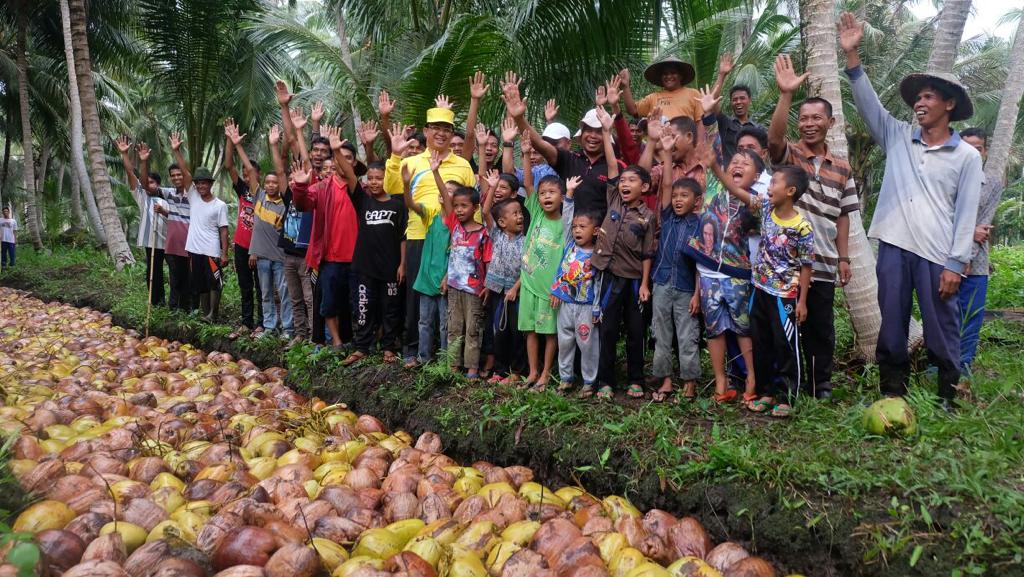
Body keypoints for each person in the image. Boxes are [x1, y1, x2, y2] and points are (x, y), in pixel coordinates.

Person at [840, 12, 982, 409]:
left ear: (949, 105)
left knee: (942, 328)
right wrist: (853, 59)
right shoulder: (899, 137)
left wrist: (956, 263)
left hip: (937, 253)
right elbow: (870, 109)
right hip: (894, 246)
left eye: (928, 97)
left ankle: (949, 398)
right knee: (892, 326)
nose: (919, 102)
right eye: (917, 97)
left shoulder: (967, 157)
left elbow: (966, 213)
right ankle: (892, 394)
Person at [767, 55, 858, 401]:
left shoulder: (842, 168)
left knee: (821, 328)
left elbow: (844, 215)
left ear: (830, 123)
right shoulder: (790, 157)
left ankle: (821, 385)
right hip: (784, 266)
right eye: (803, 118)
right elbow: (774, 140)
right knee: (784, 328)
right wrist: (786, 95)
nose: (808, 124)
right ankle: (789, 385)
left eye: (816, 118)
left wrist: (844, 258)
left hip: (822, 264)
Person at [713, 146, 815, 417]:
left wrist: (802, 300)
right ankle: (767, 391)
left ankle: (787, 394)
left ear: (790, 191)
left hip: (785, 294)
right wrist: (714, 168)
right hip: (760, 288)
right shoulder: (765, 207)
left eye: (775, 182)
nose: (769, 186)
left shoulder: (802, 227)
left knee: (785, 343)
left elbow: (806, 266)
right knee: (761, 341)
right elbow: (737, 192)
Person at [385, 99, 476, 367]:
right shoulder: (412, 161)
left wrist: (471, 237)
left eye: (447, 128)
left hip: (453, 239)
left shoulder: (462, 165)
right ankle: (413, 351)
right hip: (418, 237)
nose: (441, 133)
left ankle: (448, 356)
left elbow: (473, 203)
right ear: (426, 131)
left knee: (450, 298)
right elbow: (392, 187)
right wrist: (394, 156)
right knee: (417, 298)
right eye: (436, 127)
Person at [684, 148, 761, 404]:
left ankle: (751, 378)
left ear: (757, 174)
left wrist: (718, 167)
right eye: (734, 162)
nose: (737, 165)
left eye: (745, 163)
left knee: (742, 327)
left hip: (736, 274)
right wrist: (705, 113)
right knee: (714, 329)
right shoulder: (713, 188)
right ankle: (720, 380)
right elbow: (709, 139)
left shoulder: (758, 201)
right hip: (706, 272)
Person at [591, 109, 657, 400]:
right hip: (608, 276)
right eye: (623, 180)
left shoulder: (648, 216)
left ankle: (636, 380)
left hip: (632, 281)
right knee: (606, 330)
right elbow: (611, 164)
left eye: (633, 181)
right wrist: (607, 132)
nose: (625, 184)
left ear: (644, 188)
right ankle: (605, 381)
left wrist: (644, 284)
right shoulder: (614, 198)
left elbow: (647, 253)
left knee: (635, 332)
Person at [504, 72, 623, 217]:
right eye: (588, 130)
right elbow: (540, 144)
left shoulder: (615, 166)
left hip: (602, 237)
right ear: (581, 134)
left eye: (599, 131)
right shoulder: (570, 160)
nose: (592, 136)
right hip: (567, 235)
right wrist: (519, 118)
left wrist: (613, 107)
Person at [290, 126, 361, 350]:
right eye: (338, 159)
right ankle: (336, 342)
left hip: (356, 257)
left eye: (347, 159)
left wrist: (337, 147)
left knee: (354, 303)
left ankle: (354, 342)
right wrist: (300, 186)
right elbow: (303, 204)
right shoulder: (322, 187)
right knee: (329, 302)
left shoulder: (357, 186)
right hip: (330, 258)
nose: (340, 164)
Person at [226, 123, 293, 338]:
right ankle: (270, 326)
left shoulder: (285, 203)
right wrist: (238, 146)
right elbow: (249, 170)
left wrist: (277, 146)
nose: (272, 185)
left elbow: (282, 171)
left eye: (275, 183)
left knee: (283, 293)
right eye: (268, 183)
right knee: (265, 293)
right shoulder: (259, 197)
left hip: (280, 256)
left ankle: (287, 328)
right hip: (261, 256)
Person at [650, 131, 702, 403]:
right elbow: (667, 185)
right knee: (661, 334)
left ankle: (689, 382)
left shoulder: (700, 225)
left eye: (686, 196)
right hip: (661, 283)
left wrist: (697, 294)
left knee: (687, 335)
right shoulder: (668, 217)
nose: (679, 199)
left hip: (685, 288)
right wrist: (667, 153)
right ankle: (666, 380)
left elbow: (700, 266)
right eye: (677, 196)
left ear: (697, 201)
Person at [345, 160, 408, 366]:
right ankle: (361, 347)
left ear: (386, 179)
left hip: (390, 268)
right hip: (364, 267)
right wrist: (336, 150)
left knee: (391, 309)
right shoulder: (363, 201)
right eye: (370, 178)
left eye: (379, 178)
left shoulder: (398, 205)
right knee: (363, 308)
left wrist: (403, 265)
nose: (374, 182)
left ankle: (389, 347)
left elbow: (403, 237)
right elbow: (350, 175)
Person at [956, 128, 1002, 378]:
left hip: (977, 265)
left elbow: (983, 226)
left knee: (971, 317)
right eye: (966, 147)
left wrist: (966, 257)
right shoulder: (946, 179)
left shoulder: (992, 184)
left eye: (977, 148)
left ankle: (963, 371)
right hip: (944, 262)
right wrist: (958, 256)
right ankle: (937, 368)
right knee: (944, 317)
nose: (972, 153)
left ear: (984, 152)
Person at [157, 165, 229, 323]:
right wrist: (176, 151)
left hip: (211, 249)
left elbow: (224, 230)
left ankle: (213, 314)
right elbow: (186, 175)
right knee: (200, 283)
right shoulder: (193, 197)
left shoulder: (220, 205)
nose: (201, 186)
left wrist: (224, 253)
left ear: (211, 184)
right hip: (194, 249)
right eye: (199, 183)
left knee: (214, 283)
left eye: (205, 183)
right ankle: (206, 314)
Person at [400, 155, 452, 366]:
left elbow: (447, 201)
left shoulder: (452, 220)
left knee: (444, 325)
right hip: (427, 278)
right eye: (443, 190)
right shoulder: (431, 214)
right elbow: (410, 203)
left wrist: (436, 173)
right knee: (424, 322)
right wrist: (405, 184)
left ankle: (445, 363)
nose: (444, 194)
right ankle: (424, 358)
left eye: (449, 192)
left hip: (443, 280)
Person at [550, 178, 599, 397]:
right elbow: (567, 218)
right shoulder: (570, 244)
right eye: (576, 227)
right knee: (565, 341)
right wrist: (568, 195)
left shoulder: (597, 255)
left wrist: (597, 308)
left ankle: (589, 381)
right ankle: (565, 378)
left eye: (583, 227)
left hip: (587, 307)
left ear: (595, 231)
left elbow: (600, 284)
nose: (577, 230)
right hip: (566, 304)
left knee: (587, 343)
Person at [481, 169, 527, 385]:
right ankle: (500, 370)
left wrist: (516, 288)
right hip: (498, 291)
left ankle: (517, 372)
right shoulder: (496, 234)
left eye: (520, 213)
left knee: (516, 332)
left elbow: (528, 268)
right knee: (498, 332)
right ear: (501, 222)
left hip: (516, 292)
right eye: (514, 214)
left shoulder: (526, 241)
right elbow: (485, 211)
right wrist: (491, 187)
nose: (519, 217)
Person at [442, 182, 492, 378]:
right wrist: (436, 172)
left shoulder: (483, 233)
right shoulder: (455, 226)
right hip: (454, 288)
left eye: (464, 206)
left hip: (474, 290)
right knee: (454, 327)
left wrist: (487, 286)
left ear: (475, 207)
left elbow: (487, 261)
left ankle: (472, 368)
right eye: (456, 206)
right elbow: (445, 199)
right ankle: (453, 366)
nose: (459, 210)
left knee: (473, 328)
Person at [116, 136, 167, 306]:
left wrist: (164, 211)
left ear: (158, 184)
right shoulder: (142, 196)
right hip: (151, 241)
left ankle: (175, 302)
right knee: (153, 272)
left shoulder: (167, 197)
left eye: (152, 183)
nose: (149, 185)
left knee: (174, 273)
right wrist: (125, 154)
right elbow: (131, 173)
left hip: (169, 242)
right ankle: (156, 302)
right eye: (147, 182)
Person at [223, 119, 262, 337]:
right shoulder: (242, 191)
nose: (247, 177)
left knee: (261, 287)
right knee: (245, 286)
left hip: (259, 248)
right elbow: (229, 165)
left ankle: (261, 324)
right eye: (245, 175)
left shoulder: (264, 194)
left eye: (250, 174)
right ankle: (246, 323)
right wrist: (230, 140)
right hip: (241, 245)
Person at [704, 54, 767, 162]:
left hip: (752, 175)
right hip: (729, 176)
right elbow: (711, 102)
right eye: (735, 99)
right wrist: (722, 74)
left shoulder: (758, 129)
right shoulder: (725, 123)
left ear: (749, 100)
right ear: (731, 102)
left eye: (742, 98)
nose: (738, 102)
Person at [162, 133, 194, 311]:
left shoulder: (193, 193)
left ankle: (188, 310)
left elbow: (188, 175)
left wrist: (177, 151)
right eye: (172, 175)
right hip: (172, 247)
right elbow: (146, 185)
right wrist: (142, 162)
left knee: (189, 280)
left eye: (178, 174)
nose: (176, 178)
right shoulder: (169, 194)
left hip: (190, 245)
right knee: (175, 280)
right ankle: (173, 311)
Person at [621, 56, 703, 123]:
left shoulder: (693, 94)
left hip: (685, 142)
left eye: (673, 72)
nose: (669, 76)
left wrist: (700, 143)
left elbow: (700, 122)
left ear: (680, 76)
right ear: (661, 77)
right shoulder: (653, 97)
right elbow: (632, 110)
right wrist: (625, 86)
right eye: (665, 74)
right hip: (659, 142)